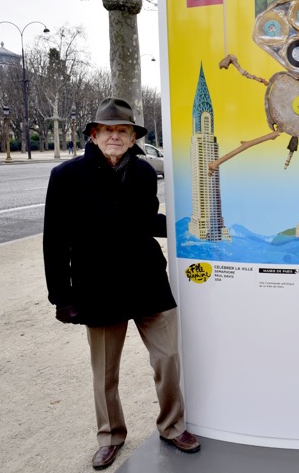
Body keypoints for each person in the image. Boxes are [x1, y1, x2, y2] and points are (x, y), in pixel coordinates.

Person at [43, 97, 200, 470]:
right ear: (94, 135)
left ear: (133, 139)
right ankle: (111, 436)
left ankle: (172, 425)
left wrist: (185, 229)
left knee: (168, 358)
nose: (115, 136)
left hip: (147, 281)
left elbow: (145, 221)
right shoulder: (65, 177)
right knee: (105, 373)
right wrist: (60, 297)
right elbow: (54, 240)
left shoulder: (145, 174)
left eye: (123, 131)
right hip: (97, 288)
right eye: (108, 130)